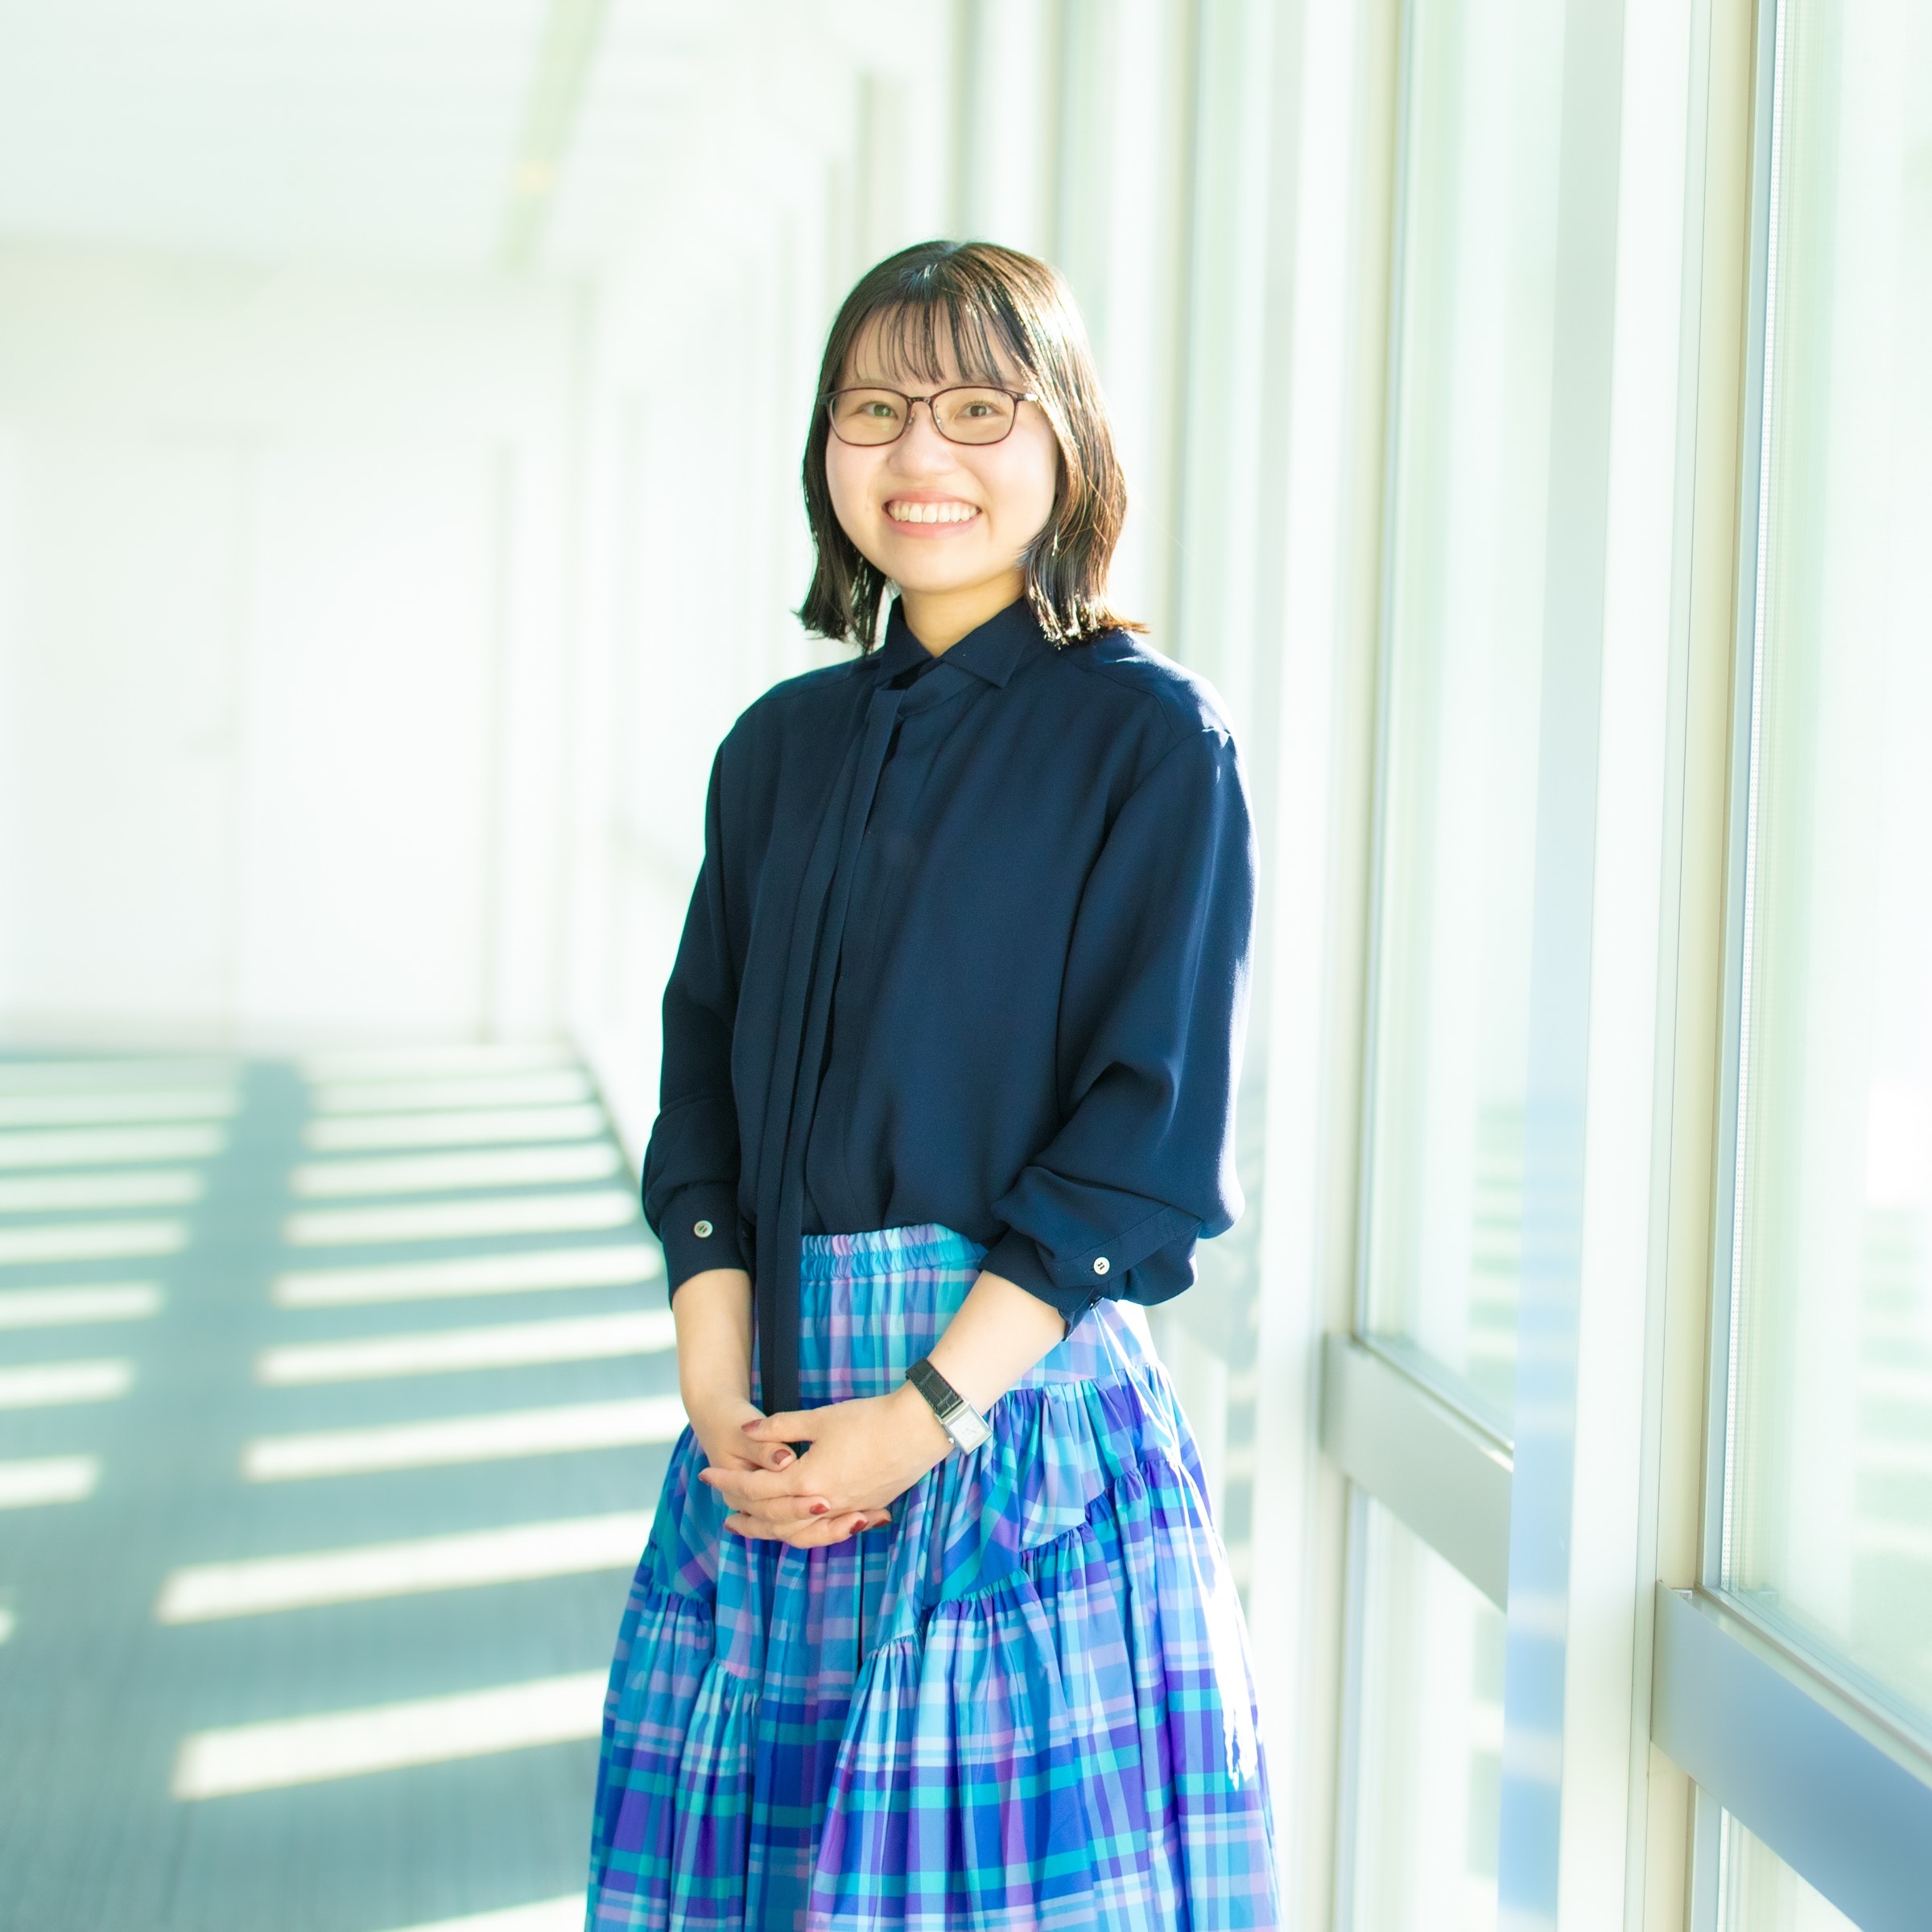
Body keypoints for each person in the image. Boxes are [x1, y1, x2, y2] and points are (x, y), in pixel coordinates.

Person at [584, 238, 1278, 1930]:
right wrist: (714, 1391)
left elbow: (1142, 1150)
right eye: (874, 412)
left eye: (978, 409)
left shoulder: (1148, 739)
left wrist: (919, 1422)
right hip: (773, 1420)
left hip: (1003, 1416)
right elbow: (702, 1094)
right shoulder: (777, 749)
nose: (920, 459)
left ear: (1066, 444)